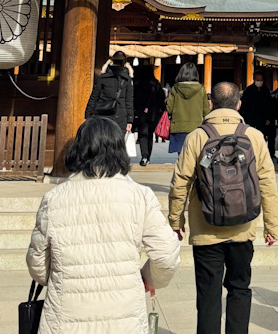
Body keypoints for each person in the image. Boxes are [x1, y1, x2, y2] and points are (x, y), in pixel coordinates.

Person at [27, 115, 180, 334]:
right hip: (124, 316)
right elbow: (166, 255)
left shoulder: (54, 198)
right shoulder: (140, 195)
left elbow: (37, 263)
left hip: (67, 315)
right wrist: (146, 279)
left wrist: (61, 279)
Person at [168, 81, 278, 334]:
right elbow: (267, 183)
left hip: (206, 229)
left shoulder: (198, 136)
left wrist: (176, 221)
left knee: (208, 295)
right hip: (243, 227)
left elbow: (180, 182)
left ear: (211, 103)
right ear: (239, 104)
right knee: (240, 289)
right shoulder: (254, 136)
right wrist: (271, 226)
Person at [84, 51, 134, 137]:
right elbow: (129, 101)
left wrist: (88, 115)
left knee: (103, 143)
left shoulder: (102, 78)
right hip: (121, 117)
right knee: (117, 145)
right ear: (124, 63)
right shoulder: (127, 80)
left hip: (103, 115)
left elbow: (94, 97)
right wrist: (129, 120)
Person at [165, 62, 210, 155]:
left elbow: (169, 109)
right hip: (196, 127)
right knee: (195, 155)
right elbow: (206, 110)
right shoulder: (201, 89)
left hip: (178, 126)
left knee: (181, 157)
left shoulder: (175, 88)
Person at [132, 64, 166, 167]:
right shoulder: (155, 83)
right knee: (150, 135)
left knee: (143, 134)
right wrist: (163, 110)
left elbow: (133, 98)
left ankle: (144, 156)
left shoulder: (138, 84)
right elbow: (161, 98)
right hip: (153, 113)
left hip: (141, 112)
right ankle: (148, 157)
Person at [240, 70, 277, 156]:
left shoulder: (265, 90)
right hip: (251, 119)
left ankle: (269, 154)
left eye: (260, 80)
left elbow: (269, 106)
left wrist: (269, 118)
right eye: (257, 79)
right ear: (254, 79)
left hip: (264, 120)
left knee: (266, 136)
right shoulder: (248, 91)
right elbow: (244, 107)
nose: (259, 81)